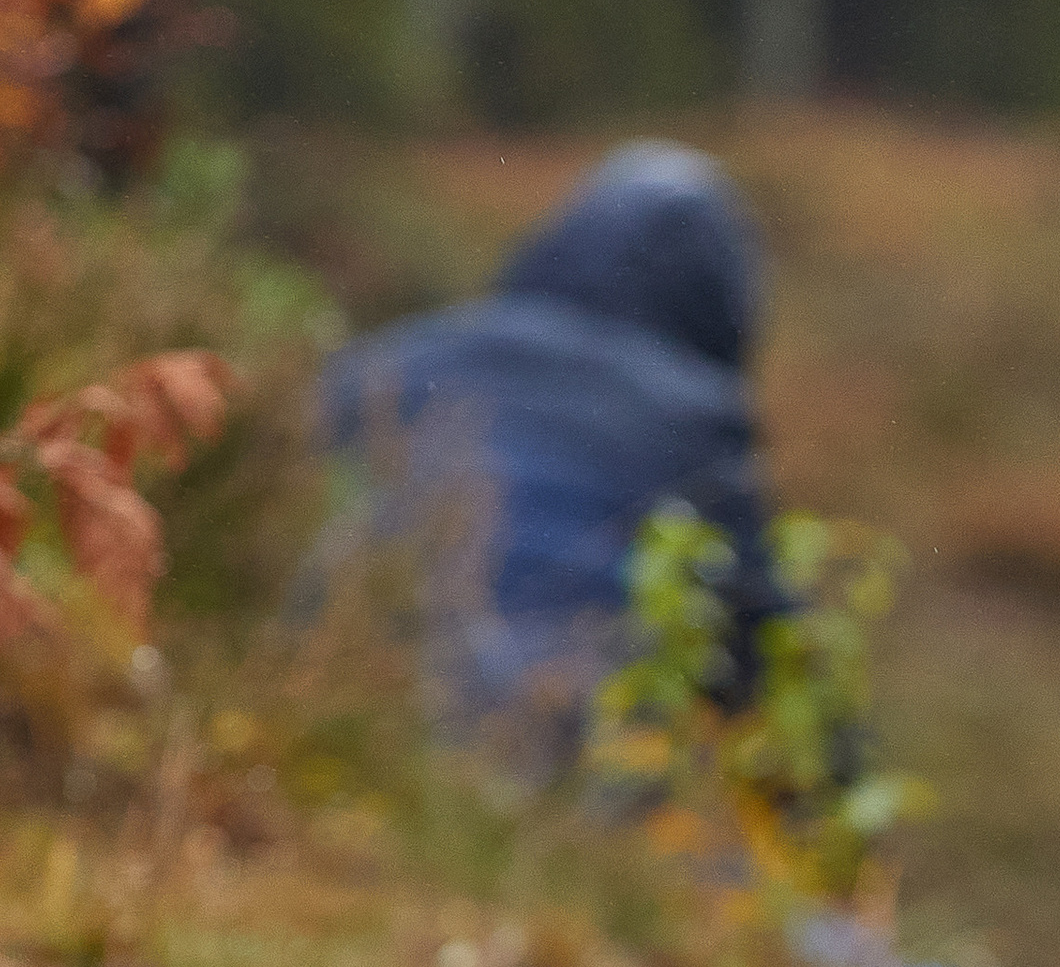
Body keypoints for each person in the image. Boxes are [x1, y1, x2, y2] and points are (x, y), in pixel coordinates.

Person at [319, 142, 783, 775]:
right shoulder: (694, 420)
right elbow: (773, 655)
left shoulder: (390, 361)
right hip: (568, 739)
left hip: (355, 698)